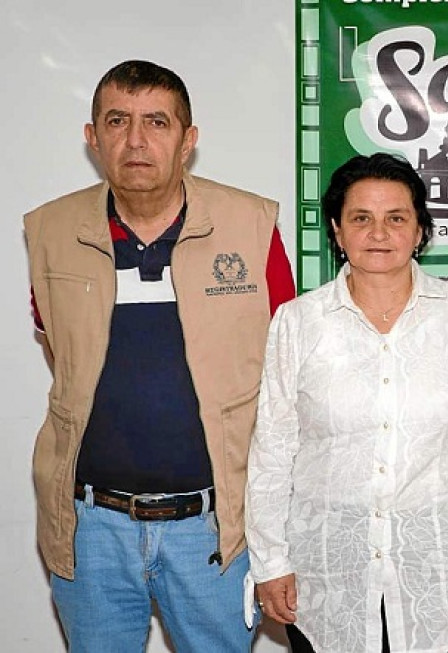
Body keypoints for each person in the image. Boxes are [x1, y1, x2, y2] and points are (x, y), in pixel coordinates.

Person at [23, 60, 295, 652]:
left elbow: (285, 361)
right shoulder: (50, 231)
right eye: (117, 121)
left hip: (216, 530)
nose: (137, 140)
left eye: (157, 122)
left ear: (188, 139)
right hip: (90, 529)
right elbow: (57, 344)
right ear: (92, 137)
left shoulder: (251, 226)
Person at [245, 153, 448, 653]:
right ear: (336, 230)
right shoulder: (298, 323)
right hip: (327, 574)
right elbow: (271, 453)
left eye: (396, 218)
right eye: (361, 218)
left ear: (420, 230)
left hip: (438, 574)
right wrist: (270, 561)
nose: (379, 233)